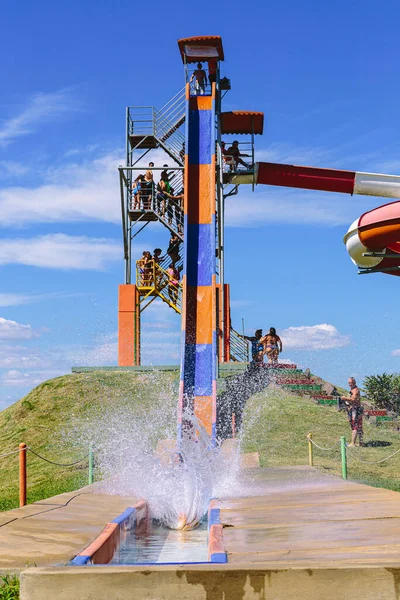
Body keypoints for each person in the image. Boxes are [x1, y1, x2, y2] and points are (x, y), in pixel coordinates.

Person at [341, 377, 363, 447]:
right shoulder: (352, 390)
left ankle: (353, 443)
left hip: (356, 409)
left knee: (355, 426)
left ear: (354, 382)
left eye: (351, 383)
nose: (350, 384)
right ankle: (361, 442)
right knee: (358, 426)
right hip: (354, 409)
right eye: (349, 383)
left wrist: (345, 398)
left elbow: (353, 399)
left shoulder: (355, 390)